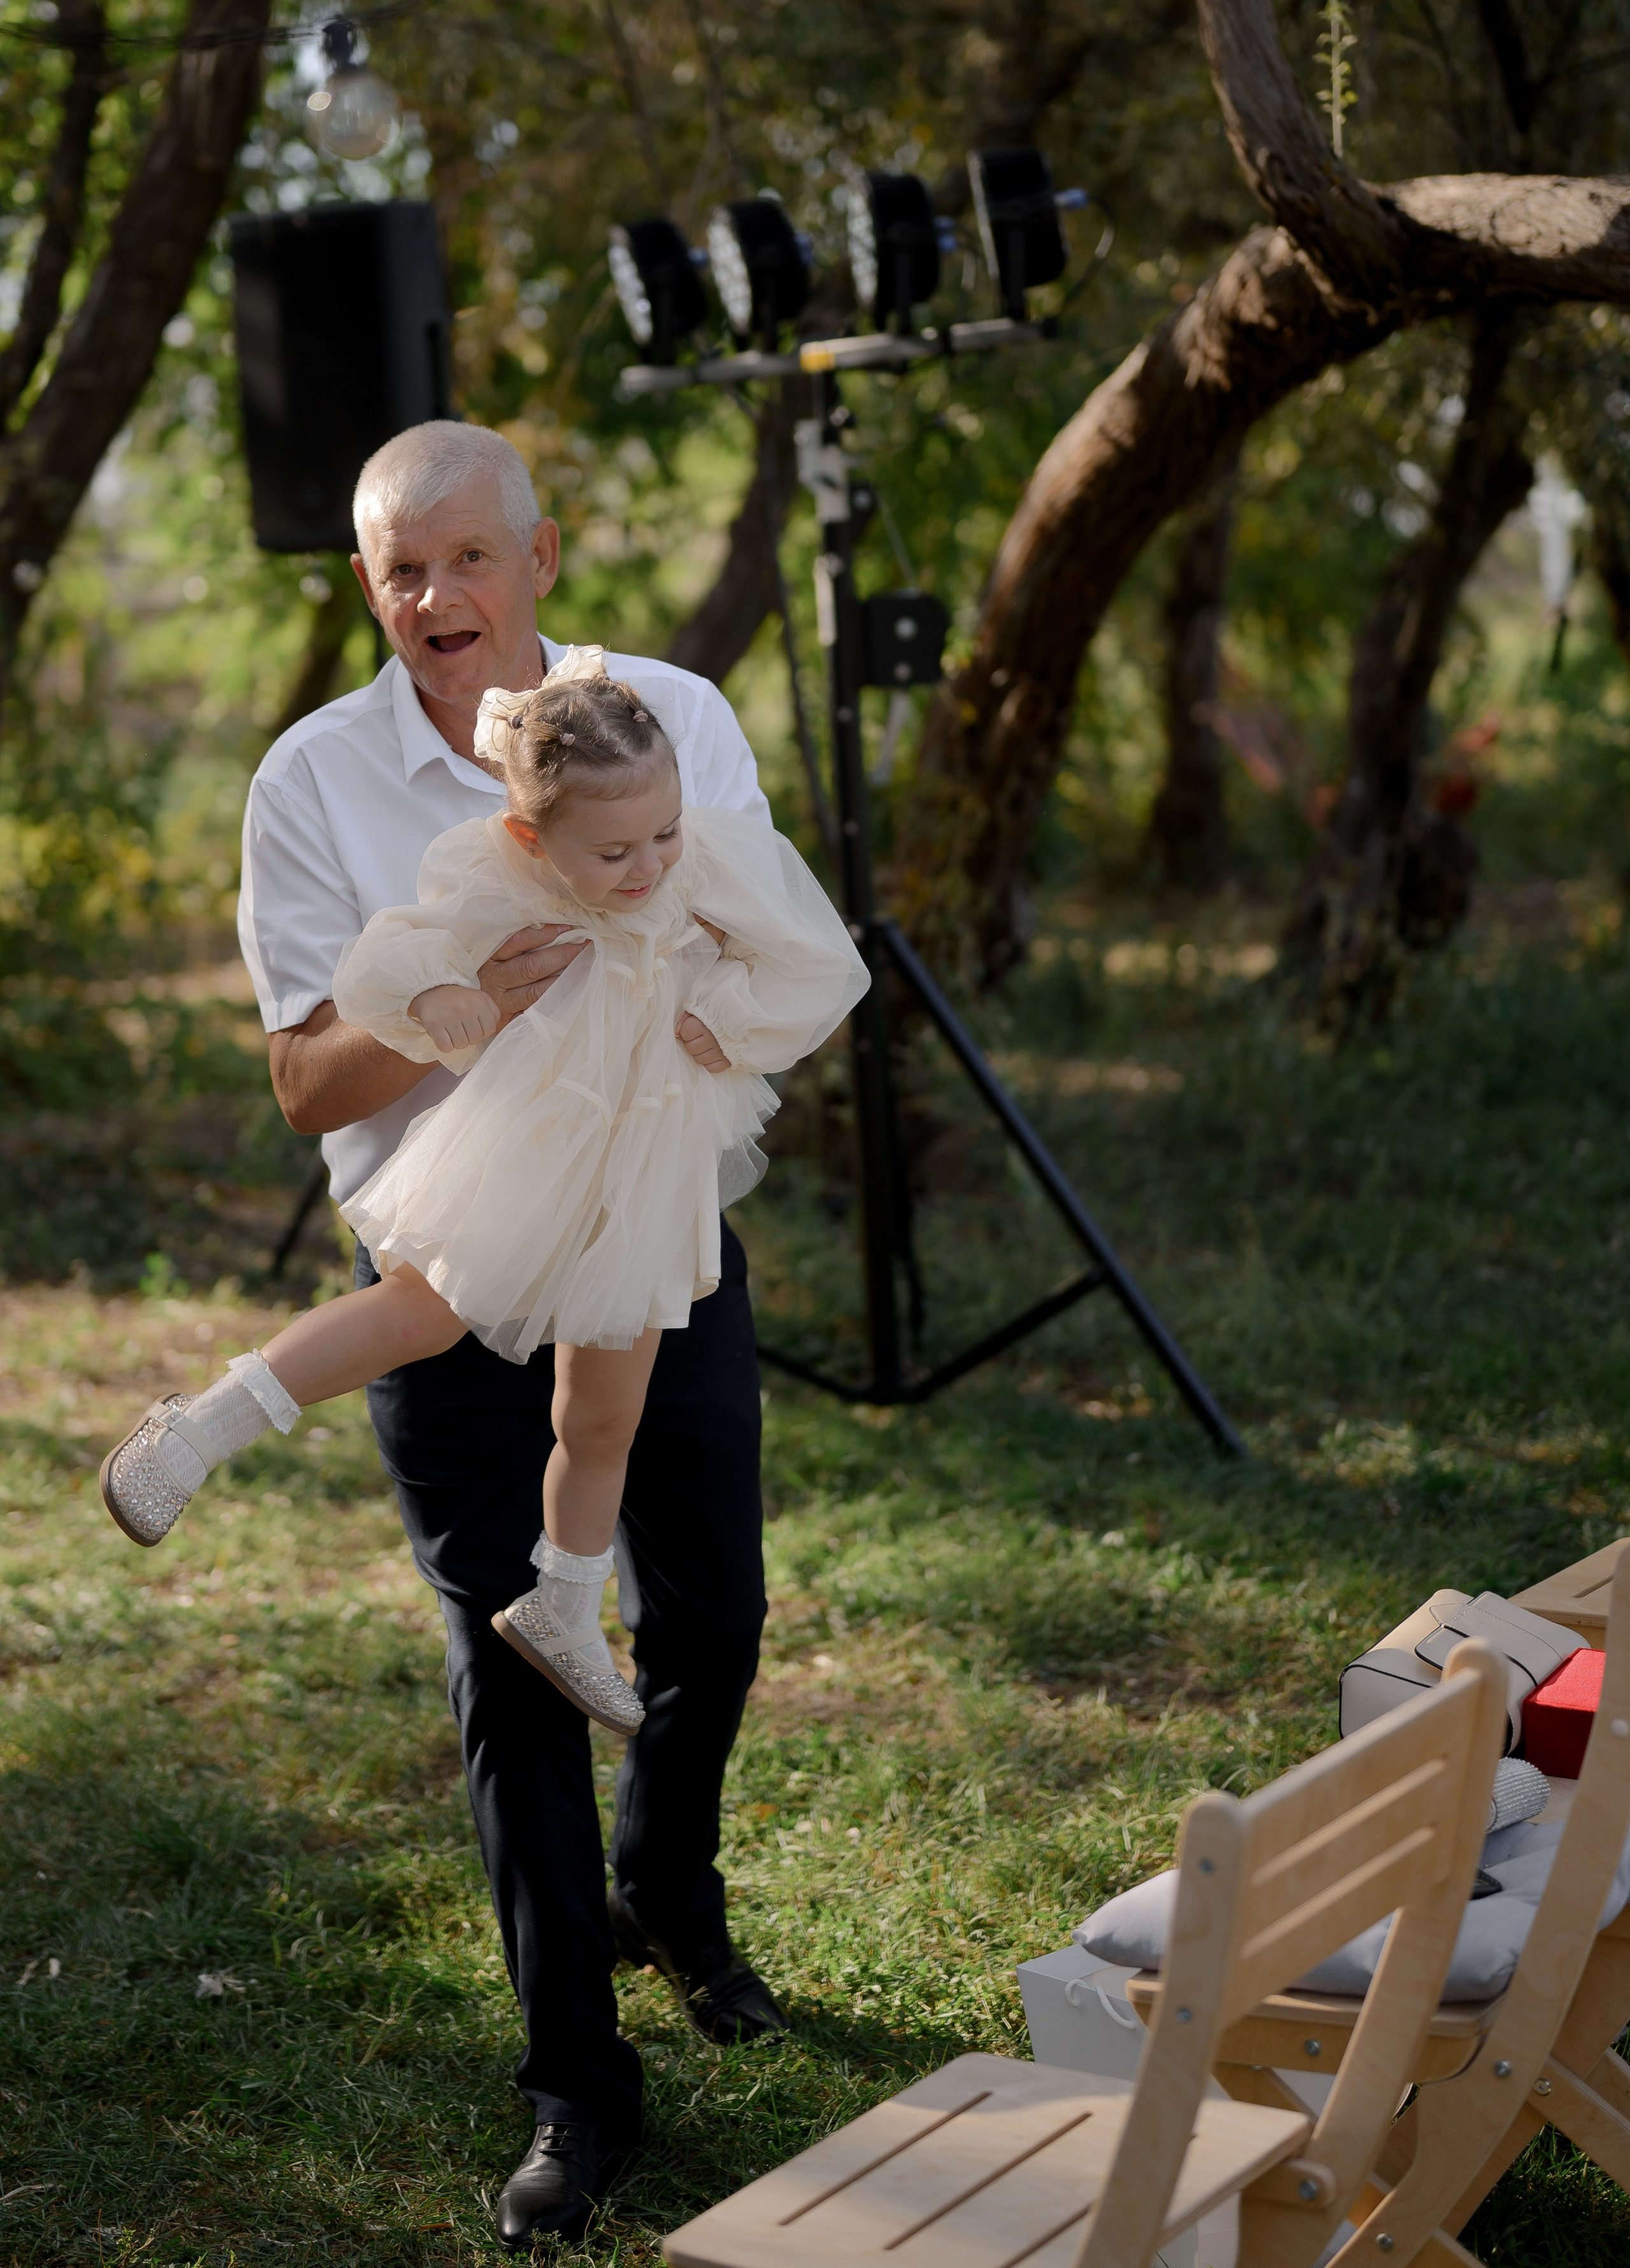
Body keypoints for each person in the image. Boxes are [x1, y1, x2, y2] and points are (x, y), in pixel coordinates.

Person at [131, 421, 800, 2248]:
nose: (435, 597)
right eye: (399, 567)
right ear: (369, 586)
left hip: (658, 1251)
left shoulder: (674, 715)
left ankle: (669, 1881)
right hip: (440, 1268)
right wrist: (454, 1017)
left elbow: (758, 946)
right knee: (514, 1675)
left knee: (716, 1623)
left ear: (543, 556)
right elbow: (297, 1080)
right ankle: (577, 2090)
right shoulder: (313, 781)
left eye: (466, 558)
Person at [101, 655, 866, 1754]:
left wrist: (732, 1017)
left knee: (603, 1411)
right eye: (614, 851)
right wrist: (443, 994)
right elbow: (388, 961)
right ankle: (199, 1430)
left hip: (647, 1165)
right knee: (421, 1310)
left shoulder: (697, 860)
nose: (649, 865)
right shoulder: (497, 872)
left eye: (662, 835)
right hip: (528, 1144)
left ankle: (564, 1596)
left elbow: (819, 959)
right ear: (532, 838)